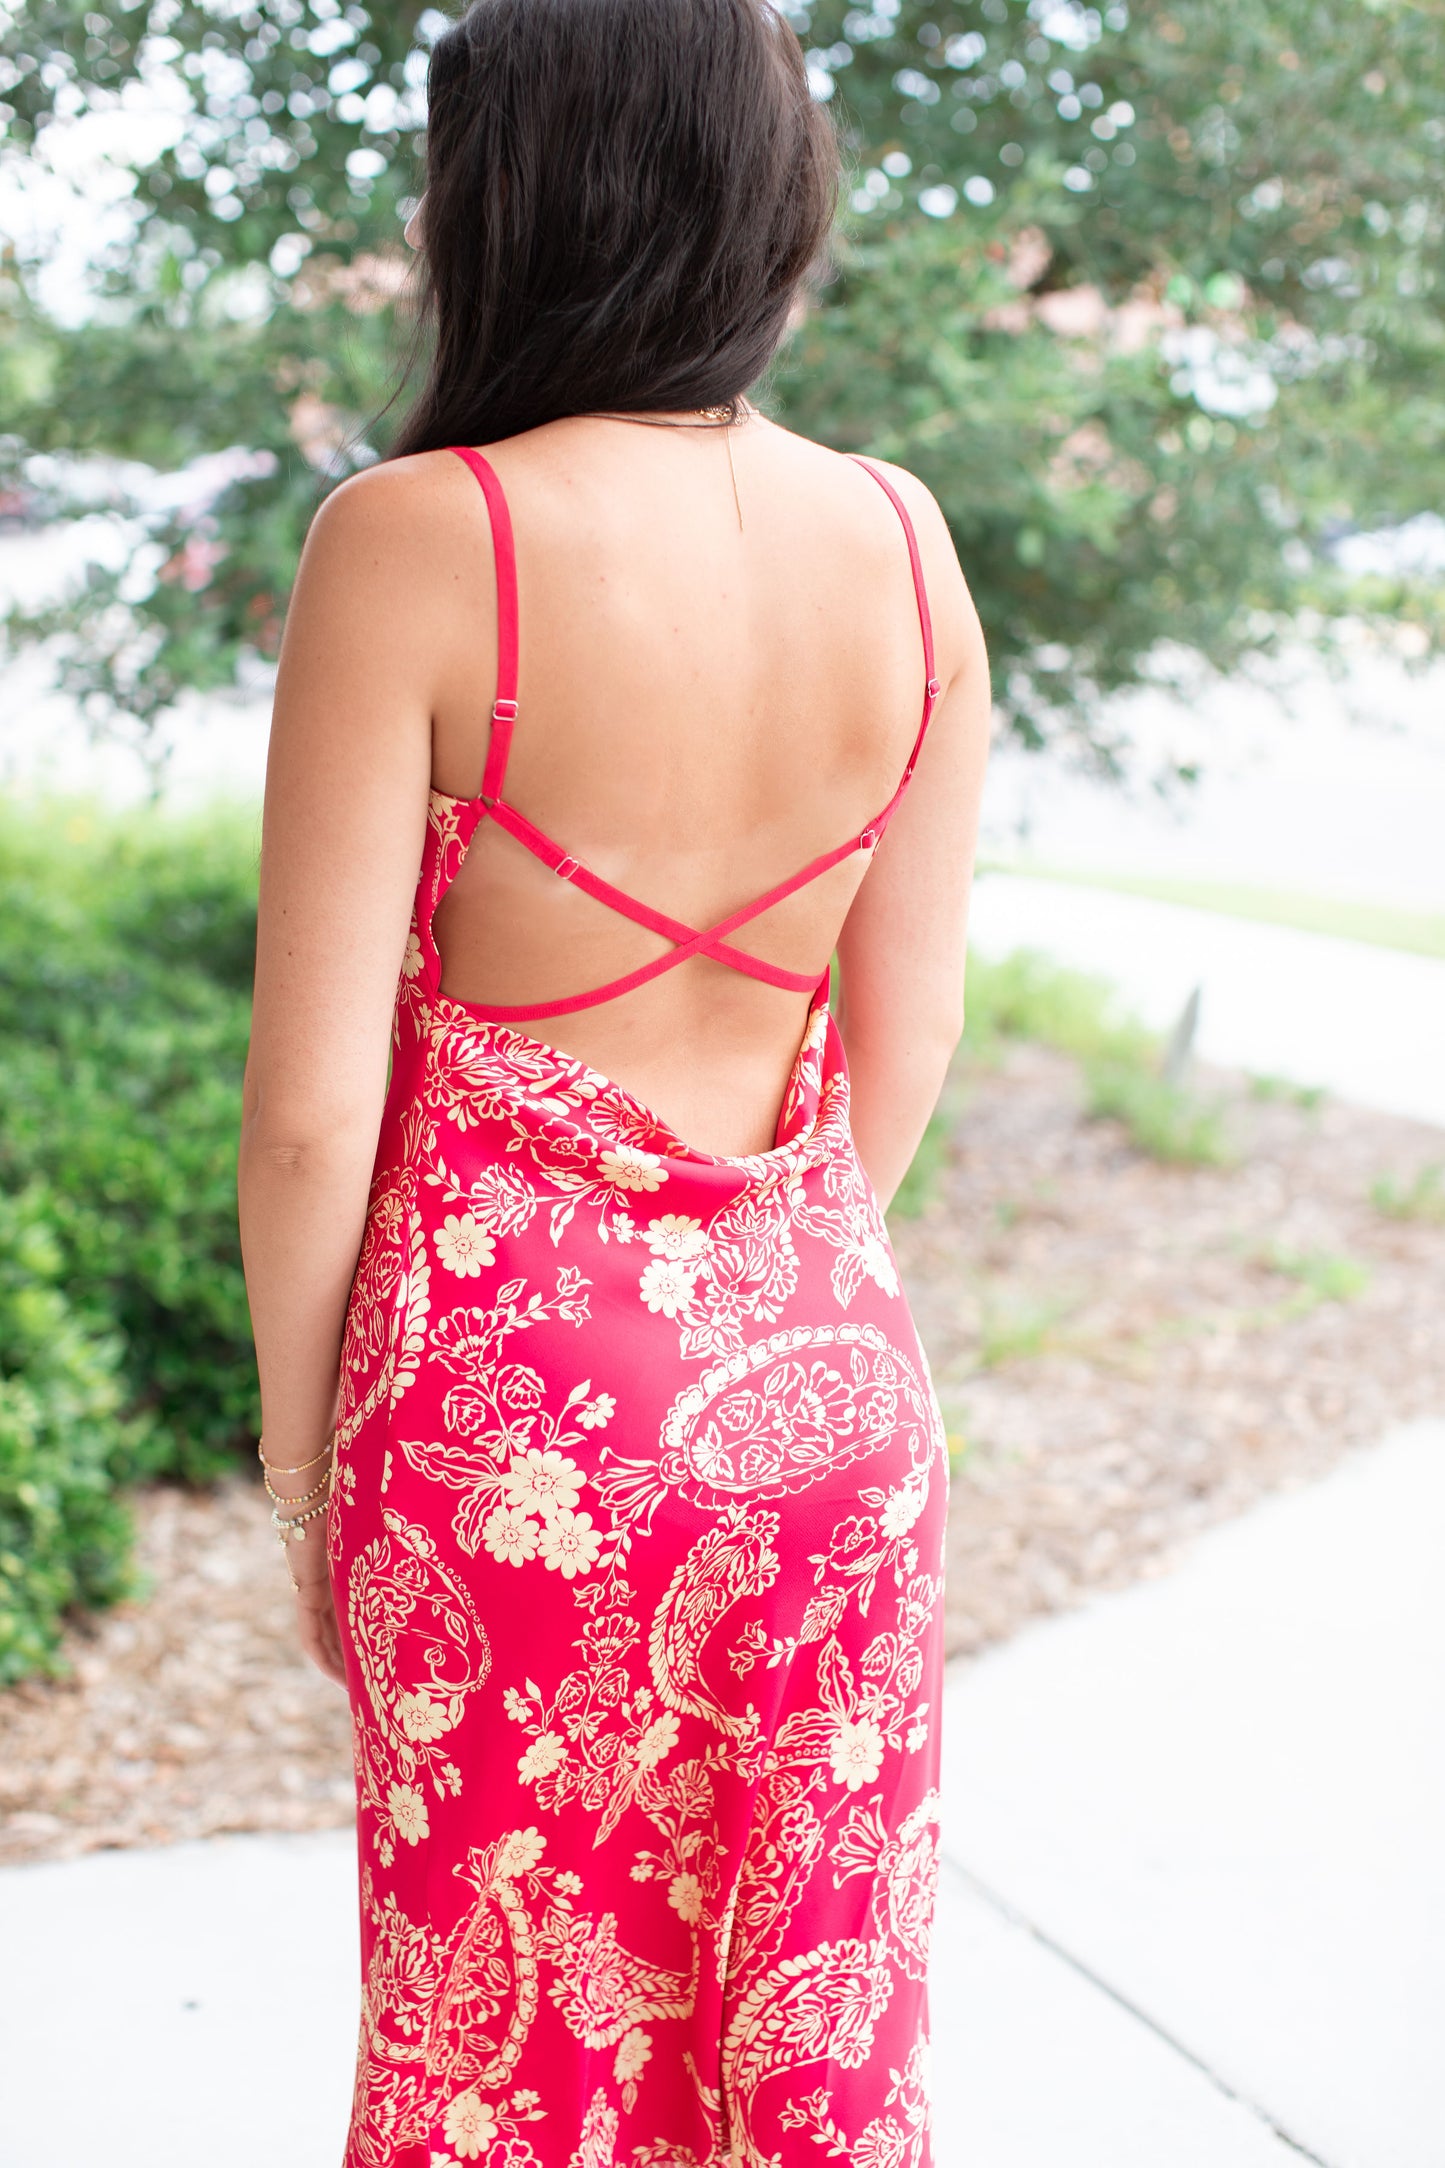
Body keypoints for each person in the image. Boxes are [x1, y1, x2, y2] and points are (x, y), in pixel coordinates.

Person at [237, 0, 990, 2159]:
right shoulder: (906, 542)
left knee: (503, 2056)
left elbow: (306, 1120)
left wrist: (307, 1471)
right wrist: (759, 1296)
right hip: (828, 1394)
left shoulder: (417, 539)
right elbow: (908, 1032)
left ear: (518, 206)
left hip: (504, 1420)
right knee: (802, 2044)